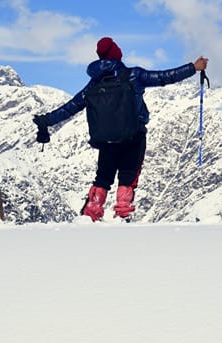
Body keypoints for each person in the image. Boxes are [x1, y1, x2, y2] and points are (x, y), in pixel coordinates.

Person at [34, 37, 207, 221]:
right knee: (128, 176)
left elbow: (71, 107)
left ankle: (91, 213)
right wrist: (193, 68)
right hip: (134, 135)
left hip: (106, 139)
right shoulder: (134, 75)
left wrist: (47, 121)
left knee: (103, 178)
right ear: (117, 54)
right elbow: (165, 77)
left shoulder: (94, 84)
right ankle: (122, 215)